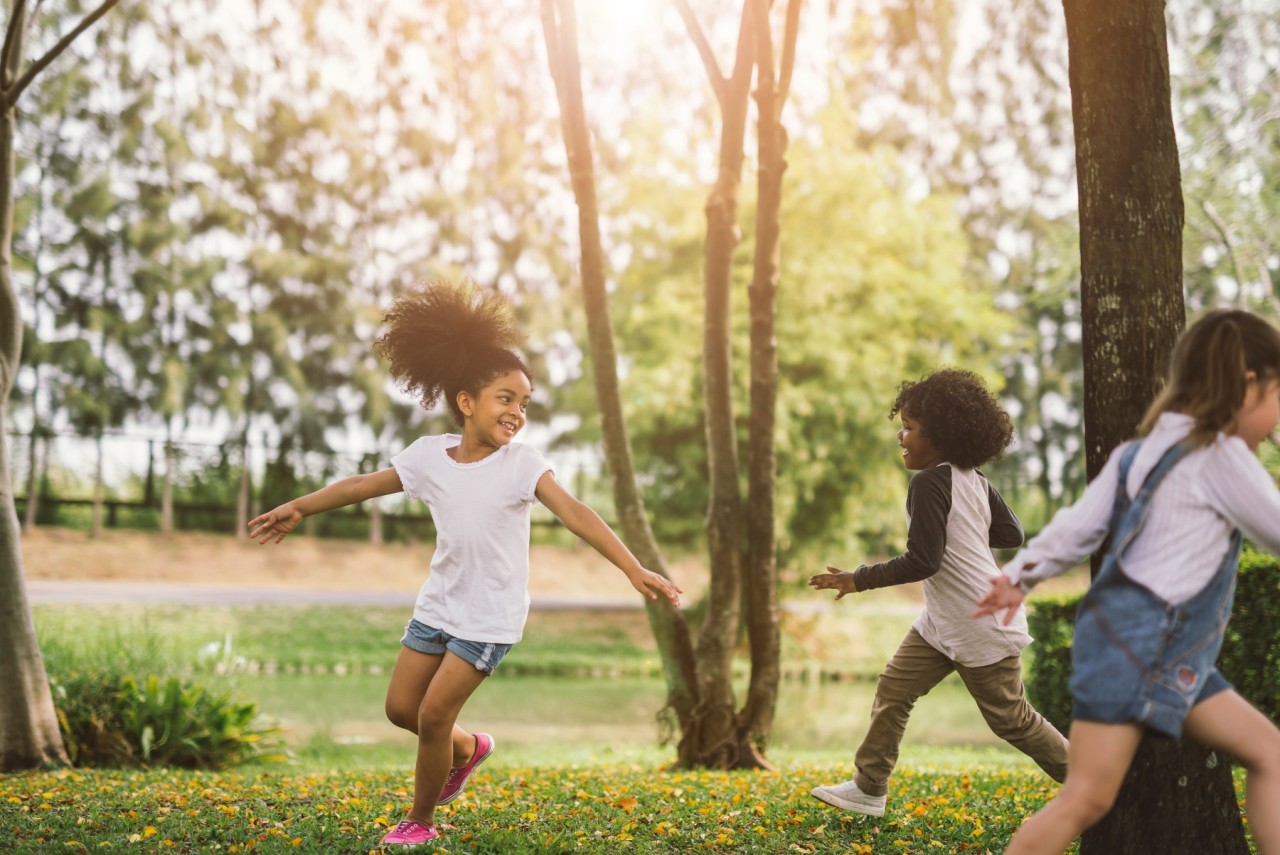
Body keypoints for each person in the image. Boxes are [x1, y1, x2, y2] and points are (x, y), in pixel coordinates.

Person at [248, 278, 682, 849]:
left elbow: (577, 513)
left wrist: (632, 567)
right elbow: (363, 485)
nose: (517, 412)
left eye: (524, 403)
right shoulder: (429, 457)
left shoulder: (522, 464)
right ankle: (470, 747)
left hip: (490, 615)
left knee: (431, 716)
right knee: (401, 708)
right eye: (506, 398)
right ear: (466, 402)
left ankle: (420, 821)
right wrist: (299, 507)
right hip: (440, 603)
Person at [974, 309, 1280, 854]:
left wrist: (1020, 575)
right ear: (1248, 384)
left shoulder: (1139, 454)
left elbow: (1078, 526)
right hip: (1147, 647)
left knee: (1268, 752)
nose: (1277, 419)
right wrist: (1018, 576)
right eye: (1279, 397)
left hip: (1149, 649)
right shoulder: (1220, 455)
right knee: (1086, 798)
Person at [808, 368, 1068, 817]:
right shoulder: (973, 479)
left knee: (1013, 720)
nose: (901, 436)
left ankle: (1096, 783)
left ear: (943, 436)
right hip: (943, 621)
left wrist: (858, 578)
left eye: (910, 428)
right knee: (894, 688)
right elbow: (1011, 533)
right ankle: (869, 787)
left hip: (978, 620)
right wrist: (966, 532)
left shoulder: (929, 482)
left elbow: (923, 560)